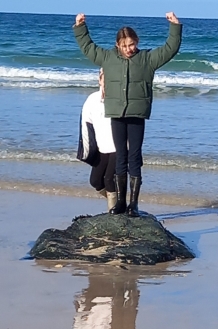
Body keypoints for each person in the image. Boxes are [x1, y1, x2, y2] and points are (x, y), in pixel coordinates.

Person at [73, 12, 182, 216]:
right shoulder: (107, 58)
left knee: (134, 157)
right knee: (120, 157)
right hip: (116, 114)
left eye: (131, 45)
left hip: (136, 115)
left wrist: (175, 27)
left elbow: (170, 49)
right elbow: (88, 47)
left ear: (136, 42)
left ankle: (134, 204)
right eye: (124, 46)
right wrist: (80, 27)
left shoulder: (147, 59)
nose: (128, 49)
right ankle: (121, 202)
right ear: (117, 45)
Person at [76, 69, 117, 211]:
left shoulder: (119, 99)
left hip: (119, 147)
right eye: (105, 79)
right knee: (95, 181)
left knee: (109, 180)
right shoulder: (92, 99)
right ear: (100, 79)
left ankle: (114, 214)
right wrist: (85, 151)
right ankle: (119, 205)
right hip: (102, 148)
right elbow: (85, 125)